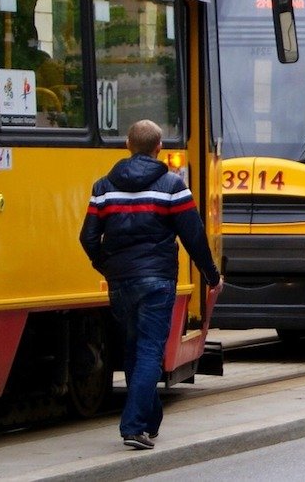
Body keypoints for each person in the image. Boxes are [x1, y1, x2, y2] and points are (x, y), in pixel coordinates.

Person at [79, 120, 223, 451]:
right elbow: (194, 236)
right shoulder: (172, 185)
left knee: (135, 349)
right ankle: (133, 426)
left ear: (127, 144)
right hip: (157, 281)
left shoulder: (104, 187)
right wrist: (212, 276)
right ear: (159, 147)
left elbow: (87, 236)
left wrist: (107, 264)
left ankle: (149, 420)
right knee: (148, 351)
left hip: (121, 281)